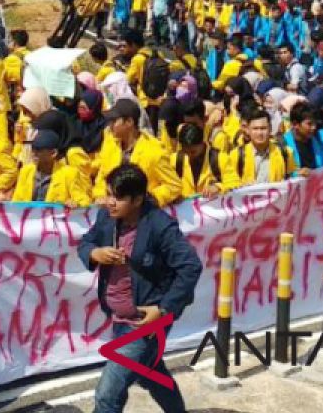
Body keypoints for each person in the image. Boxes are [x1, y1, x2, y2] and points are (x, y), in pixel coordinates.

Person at [78, 164, 201, 413]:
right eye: (108, 194)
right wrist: (95, 253)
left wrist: (164, 310)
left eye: (117, 197)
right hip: (118, 318)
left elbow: (190, 267)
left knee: (107, 395)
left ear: (136, 199)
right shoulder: (107, 217)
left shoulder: (159, 225)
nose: (110, 202)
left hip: (143, 323)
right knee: (151, 373)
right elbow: (87, 241)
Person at [92, 99, 182, 207]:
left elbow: (173, 185)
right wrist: (101, 196)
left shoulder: (154, 151)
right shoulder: (110, 146)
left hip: (143, 215)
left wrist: (146, 199)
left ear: (129, 122)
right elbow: (102, 178)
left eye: (114, 121)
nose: (110, 125)